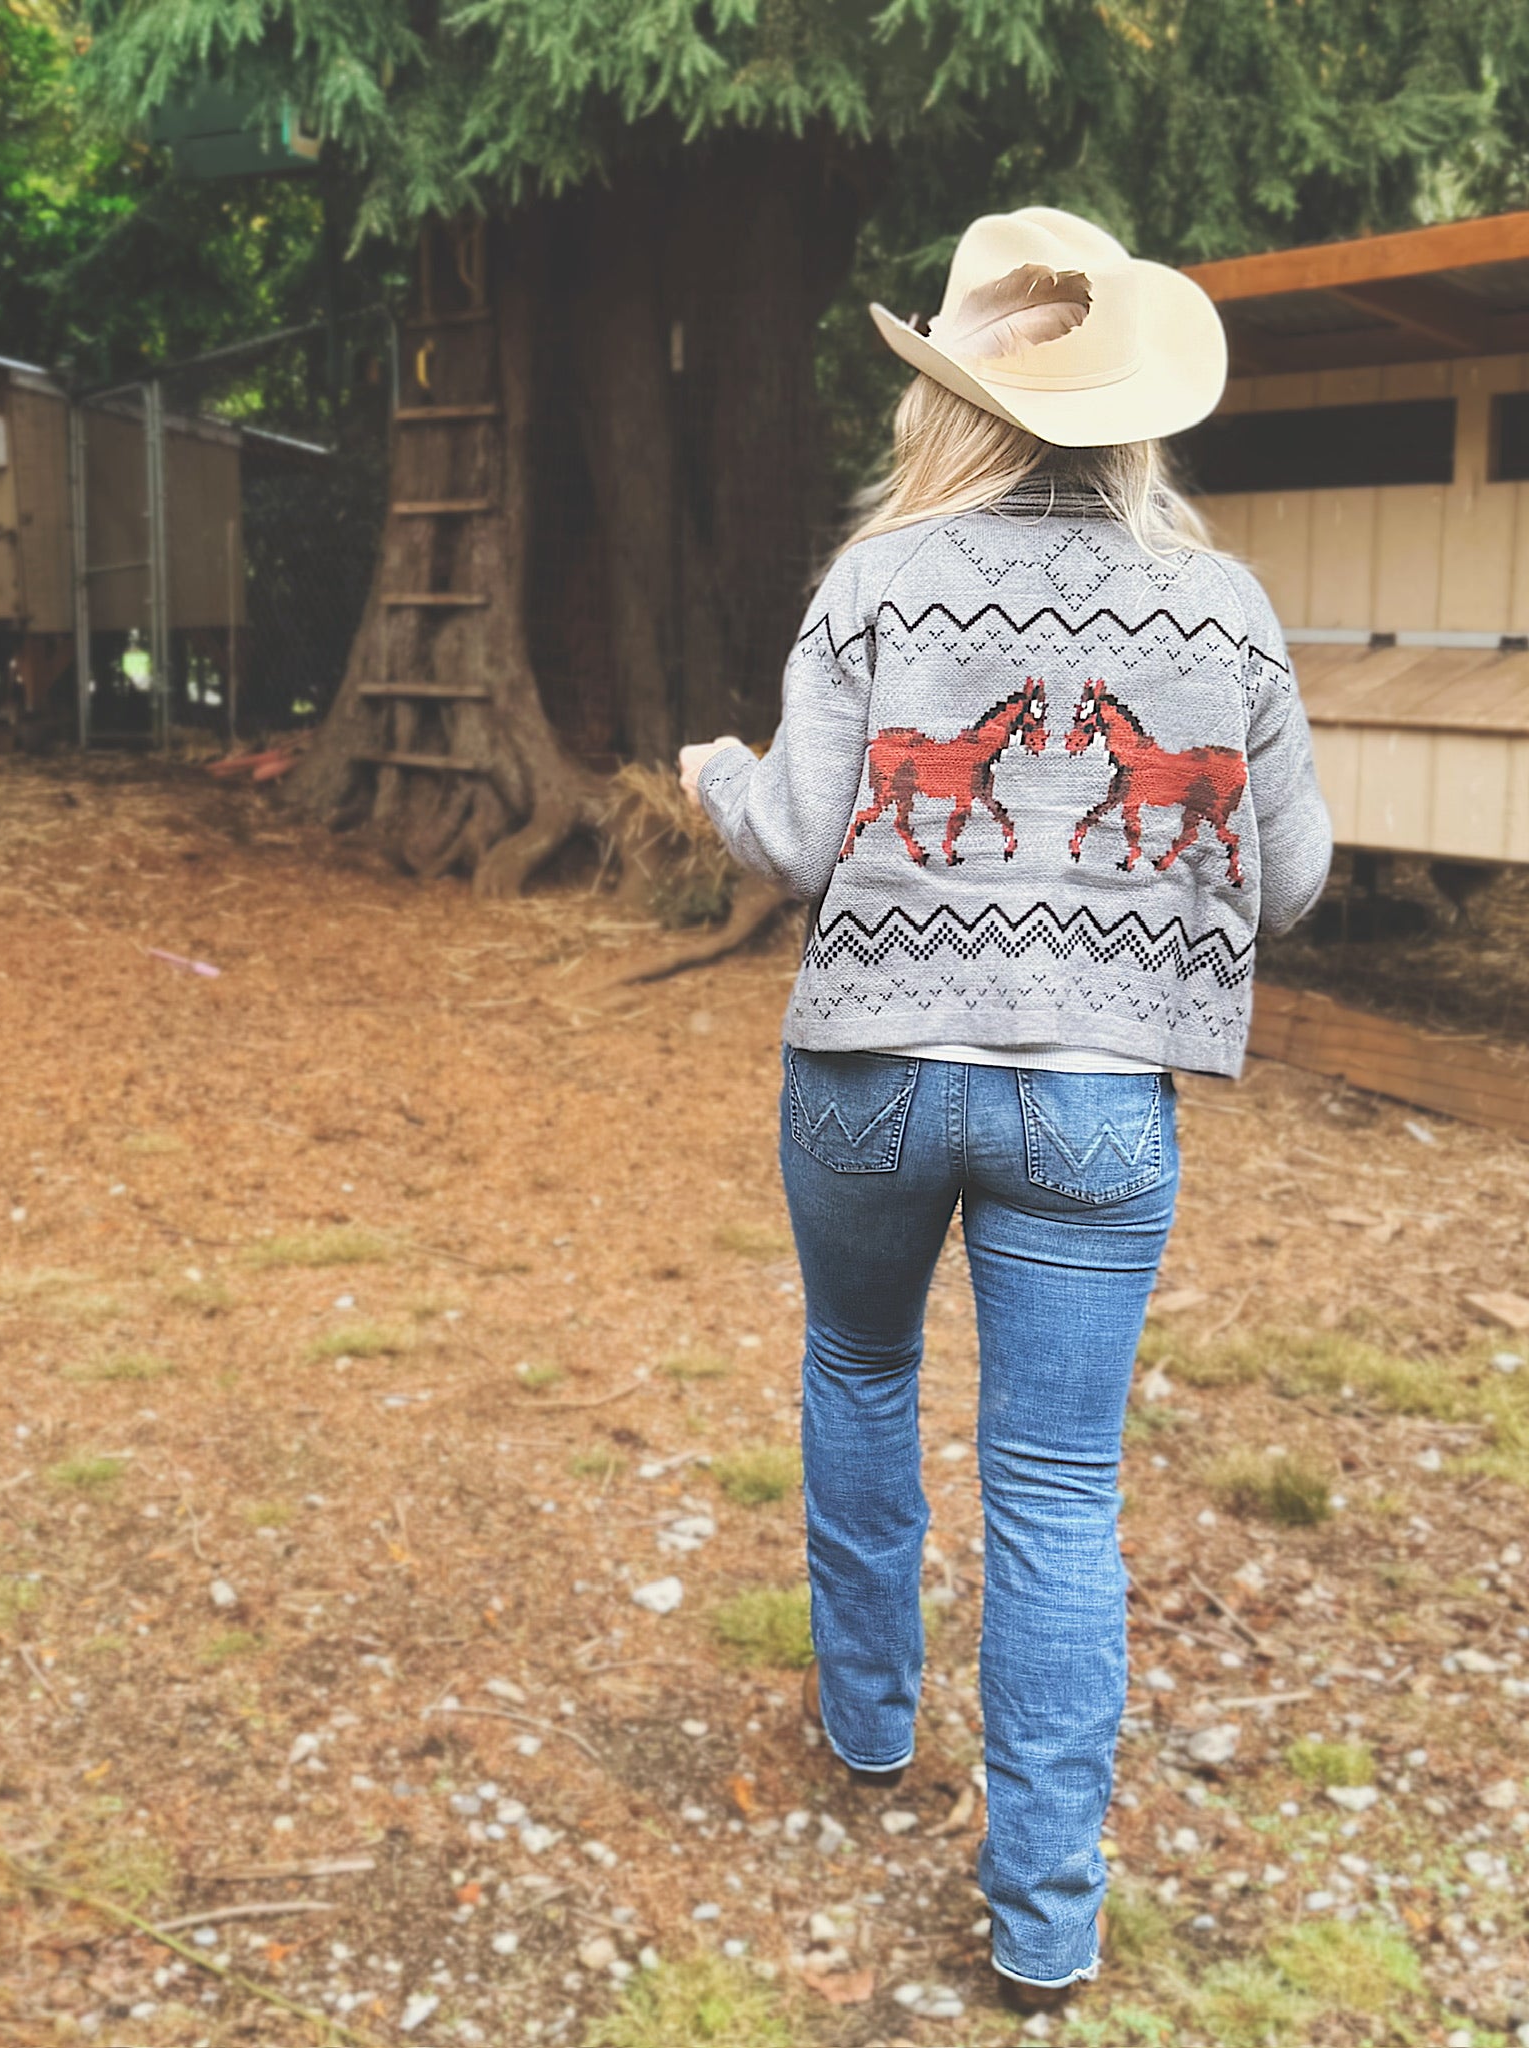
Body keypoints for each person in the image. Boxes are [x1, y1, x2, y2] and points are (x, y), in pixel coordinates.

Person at [678, 206, 1331, 2014]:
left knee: (859, 1369)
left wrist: (717, 774)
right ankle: (1044, 1923)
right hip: (1099, 1110)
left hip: (870, 1082)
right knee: (1056, 1490)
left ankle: (869, 1723)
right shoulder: (1223, 605)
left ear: (948, 398)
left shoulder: (878, 580)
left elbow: (798, 835)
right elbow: (1288, 883)